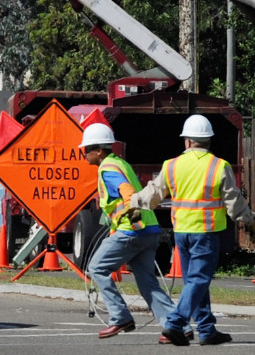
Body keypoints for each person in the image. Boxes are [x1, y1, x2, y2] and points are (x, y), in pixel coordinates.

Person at [129, 115, 255, 346]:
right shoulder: (219, 166)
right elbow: (234, 202)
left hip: (181, 232)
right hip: (207, 232)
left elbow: (152, 194)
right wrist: (250, 224)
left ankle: (207, 329)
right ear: (208, 141)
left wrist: (133, 205)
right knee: (199, 279)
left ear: (187, 142)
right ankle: (175, 323)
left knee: (194, 281)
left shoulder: (171, 165)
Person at [79, 123, 191, 344]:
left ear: (99, 150)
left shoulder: (108, 168)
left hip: (133, 231)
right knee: (147, 281)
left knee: (96, 267)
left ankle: (120, 317)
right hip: (148, 231)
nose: (83, 155)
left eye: (86, 150)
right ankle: (177, 326)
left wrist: (133, 225)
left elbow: (128, 193)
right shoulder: (121, 163)